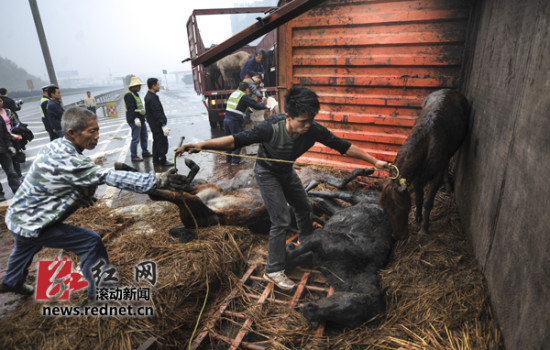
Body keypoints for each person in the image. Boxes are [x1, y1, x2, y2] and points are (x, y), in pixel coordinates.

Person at [176, 86, 390, 290]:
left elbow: (344, 146)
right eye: (303, 121)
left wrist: (374, 161)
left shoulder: (313, 130)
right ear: (288, 116)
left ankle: (307, 240)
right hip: (267, 173)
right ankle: (274, 269)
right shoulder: (269, 128)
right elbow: (235, 140)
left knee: (304, 205)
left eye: (311, 120)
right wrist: (202, 145)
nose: (307, 126)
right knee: (280, 219)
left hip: (286, 171)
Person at [0, 107, 191, 299]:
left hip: (19, 217)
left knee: (24, 246)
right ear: (72, 133)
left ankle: (12, 282)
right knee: (90, 242)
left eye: (98, 130)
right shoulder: (70, 160)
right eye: (92, 132)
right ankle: (101, 294)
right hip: (34, 223)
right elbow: (107, 176)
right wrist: (155, 180)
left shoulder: (56, 146)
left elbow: (57, 183)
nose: (98, 136)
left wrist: (78, 196)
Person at [223, 81, 267, 165]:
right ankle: (235, 161)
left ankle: (228, 159)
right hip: (234, 121)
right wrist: (265, 106)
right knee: (238, 139)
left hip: (226, 120)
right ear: (247, 89)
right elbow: (255, 105)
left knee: (228, 140)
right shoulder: (243, 96)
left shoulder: (234, 94)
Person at [144, 78, 172, 167]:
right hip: (157, 124)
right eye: (158, 85)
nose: (159, 86)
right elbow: (157, 112)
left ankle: (156, 160)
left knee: (156, 141)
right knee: (161, 141)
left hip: (153, 124)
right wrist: (163, 124)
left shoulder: (149, 96)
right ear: (153, 86)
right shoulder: (151, 98)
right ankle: (162, 160)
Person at [124, 77, 152, 162]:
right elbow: (131, 108)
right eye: (138, 86)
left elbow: (139, 107)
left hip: (141, 119)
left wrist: (143, 117)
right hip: (134, 120)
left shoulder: (135, 94)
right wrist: (135, 118)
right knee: (135, 138)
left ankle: (145, 152)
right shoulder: (129, 95)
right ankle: (134, 156)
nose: (140, 87)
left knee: (144, 136)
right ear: (133, 87)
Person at [0, 98, 21, 202]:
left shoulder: (1, 117)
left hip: (3, 149)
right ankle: (0, 195)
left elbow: (5, 132)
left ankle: (17, 191)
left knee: (11, 171)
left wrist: (9, 145)